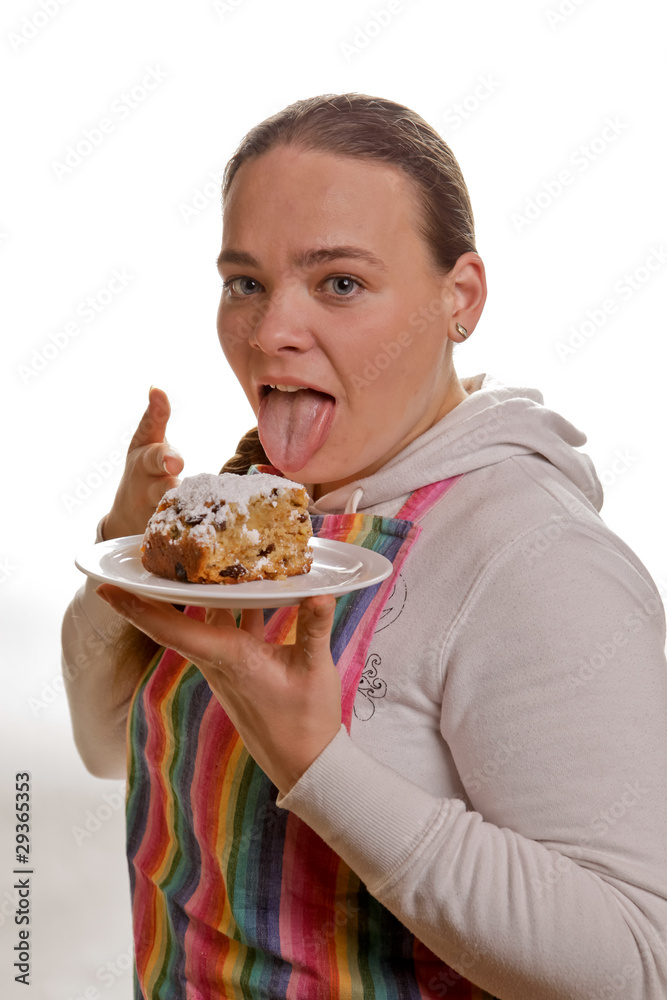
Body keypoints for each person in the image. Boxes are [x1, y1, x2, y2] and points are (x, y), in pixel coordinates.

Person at [61, 93, 667, 999]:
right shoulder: (264, 516)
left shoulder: (535, 558)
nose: (270, 333)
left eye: (339, 283)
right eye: (245, 282)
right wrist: (128, 555)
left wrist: (319, 765)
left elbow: (635, 962)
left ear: (457, 298)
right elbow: (110, 750)